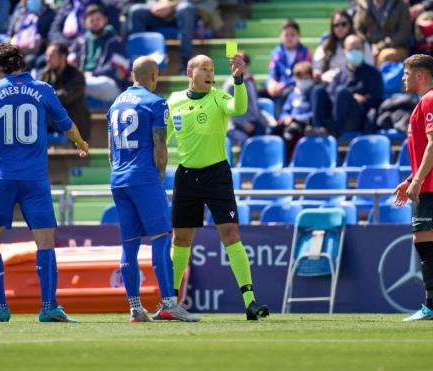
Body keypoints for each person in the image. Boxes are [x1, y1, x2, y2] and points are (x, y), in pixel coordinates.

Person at [0, 42, 90, 322]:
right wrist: (81, 142)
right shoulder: (42, 89)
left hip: (2, 176)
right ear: (22, 64)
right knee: (45, 240)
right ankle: (49, 306)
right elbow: (66, 123)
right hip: (35, 178)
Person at [166, 54, 269, 320]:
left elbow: (240, 108)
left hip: (217, 175)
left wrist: (238, 80)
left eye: (212, 69)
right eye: (205, 68)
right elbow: (162, 139)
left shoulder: (218, 97)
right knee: (181, 239)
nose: (210, 73)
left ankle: (250, 301)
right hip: (186, 176)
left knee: (231, 233)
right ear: (190, 72)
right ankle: (170, 303)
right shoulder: (174, 101)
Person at [108, 56, 200, 323]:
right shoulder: (155, 103)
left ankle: (135, 308)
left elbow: (112, 151)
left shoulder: (115, 104)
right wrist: (158, 180)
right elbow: (160, 148)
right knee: (161, 238)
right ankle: (169, 303)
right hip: (145, 178)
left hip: (119, 179)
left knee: (129, 244)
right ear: (153, 76)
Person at [393, 54, 433, 321]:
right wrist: (412, 178)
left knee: (424, 243)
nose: (403, 78)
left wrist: (417, 181)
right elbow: (430, 152)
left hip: (432, 185)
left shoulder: (430, 100)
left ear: (420, 75)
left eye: (406, 73)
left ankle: (432, 305)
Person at [312, 33, 383, 137]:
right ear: (345, 51)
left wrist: (362, 99)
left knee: (342, 91)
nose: (355, 52)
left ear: (363, 50)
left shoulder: (373, 73)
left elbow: (377, 99)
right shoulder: (340, 74)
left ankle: (335, 131)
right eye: (351, 49)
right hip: (336, 113)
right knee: (318, 90)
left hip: (357, 118)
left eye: (358, 48)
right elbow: (330, 94)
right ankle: (318, 129)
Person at [70, 4, 130, 102]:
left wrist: (93, 74)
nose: (95, 23)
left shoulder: (115, 42)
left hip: (109, 84)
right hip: (83, 81)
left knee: (78, 85)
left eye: (98, 19)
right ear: (84, 23)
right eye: (91, 20)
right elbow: (71, 63)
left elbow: (120, 70)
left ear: (105, 20)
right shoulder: (80, 42)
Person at [126, 0, 197, 72]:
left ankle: (186, 62)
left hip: (180, 14)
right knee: (136, 10)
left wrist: (171, 5)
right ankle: (139, 64)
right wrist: (154, 6)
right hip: (158, 14)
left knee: (185, 8)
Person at [40, 42, 91, 141]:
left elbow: (66, 97)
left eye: (51, 56)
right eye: (47, 56)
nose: (47, 59)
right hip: (53, 119)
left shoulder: (77, 76)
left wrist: (46, 97)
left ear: (63, 57)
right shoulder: (46, 74)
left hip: (73, 121)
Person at [223, 51, 270, 146]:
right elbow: (228, 110)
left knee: (269, 132)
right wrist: (244, 123)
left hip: (254, 123)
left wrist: (263, 119)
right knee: (247, 143)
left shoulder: (250, 82)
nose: (238, 69)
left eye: (242, 66)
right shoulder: (230, 85)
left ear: (247, 66)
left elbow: (255, 105)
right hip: (237, 126)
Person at [313, 10, 373, 82]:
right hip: (330, 82)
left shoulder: (361, 43)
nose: (340, 28)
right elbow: (316, 66)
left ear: (350, 25)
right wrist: (318, 73)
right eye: (336, 25)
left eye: (343, 24)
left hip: (355, 81)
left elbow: (370, 65)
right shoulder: (326, 45)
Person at [354, 0, 412, 66]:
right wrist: (368, 45)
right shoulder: (363, 4)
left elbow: (404, 32)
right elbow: (357, 29)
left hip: (395, 46)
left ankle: (376, 76)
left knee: (384, 56)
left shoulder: (400, 4)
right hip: (369, 46)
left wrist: (380, 46)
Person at [265, 19, 312, 100]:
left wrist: (283, 85)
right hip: (278, 87)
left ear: (299, 36)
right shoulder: (276, 53)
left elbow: (304, 73)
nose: (289, 38)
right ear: (281, 36)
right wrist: (271, 83)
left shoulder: (305, 53)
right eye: (286, 35)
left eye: (292, 34)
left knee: (285, 94)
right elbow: (273, 72)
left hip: (296, 86)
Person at [278, 61, 315, 154]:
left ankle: (286, 159)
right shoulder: (292, 94)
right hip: (290, 123)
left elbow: (314, 113)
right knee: (274, 130)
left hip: (305, 124)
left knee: (290, 132)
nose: (303, 81)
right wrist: (285, 117)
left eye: (306, 78)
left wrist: (297, 118)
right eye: (300, 78)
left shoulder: (314, 93)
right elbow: (285, 111)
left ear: (311, 78)